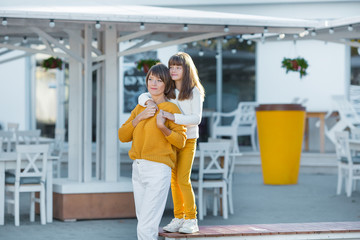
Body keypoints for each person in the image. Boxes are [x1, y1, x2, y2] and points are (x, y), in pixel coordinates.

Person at [138, 52, 205, 234]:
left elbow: (196, 118)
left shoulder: (193, 91)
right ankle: (179, 217)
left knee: (183, 179)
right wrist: (146, 101)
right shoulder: (169, 90)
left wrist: (173, 116)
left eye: (178, 67)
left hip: (189, 140)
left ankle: (191, 219)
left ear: (186, 69)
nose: (173, 70)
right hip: (172, 140)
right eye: (171, 67)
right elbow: (145, 95)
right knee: (174, 181)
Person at [118, 63, 187, 240]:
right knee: (144, 222)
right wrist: (139, 117)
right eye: (150, 79)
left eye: (159, 80)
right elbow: (122, 135)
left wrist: (163, 127)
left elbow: (181, 141)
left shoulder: (172, 109)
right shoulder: (140, 107)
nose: (153, 84)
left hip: (158, 169)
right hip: (138, 168)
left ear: (167, 84)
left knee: (146, 226)